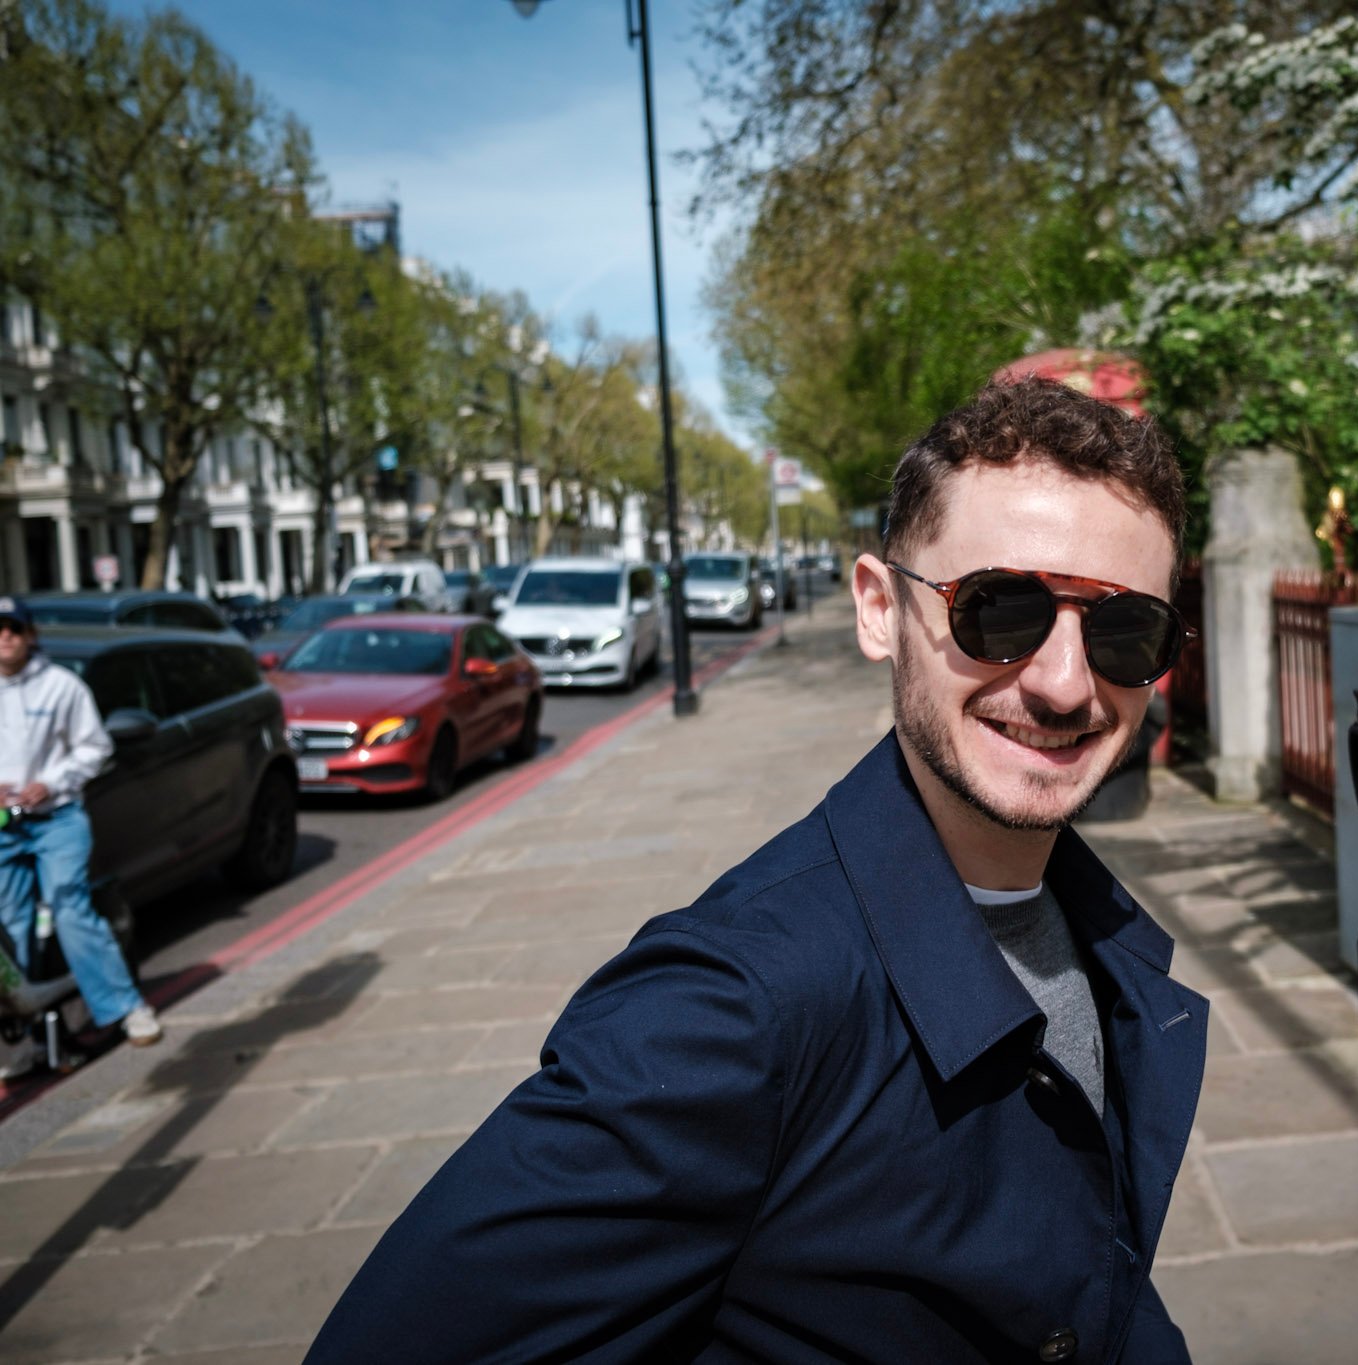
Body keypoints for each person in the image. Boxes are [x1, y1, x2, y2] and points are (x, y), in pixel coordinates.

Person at [309, 378, 1207, 1363]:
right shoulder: (729, 1006)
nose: (1065, 683)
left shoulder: (1099, 930)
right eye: (1000, 611)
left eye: (1125, 631)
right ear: (879, 609)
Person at [0, 595, 159, 1046]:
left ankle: (126, 1008)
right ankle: (23, 1035)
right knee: (10, 927)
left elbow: (95, 747)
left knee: (69, 908)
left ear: (31, 635)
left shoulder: (61, 686)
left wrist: (51, 783)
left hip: (57, 819)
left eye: (14, 628)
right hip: (4, 826)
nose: (5, 637)